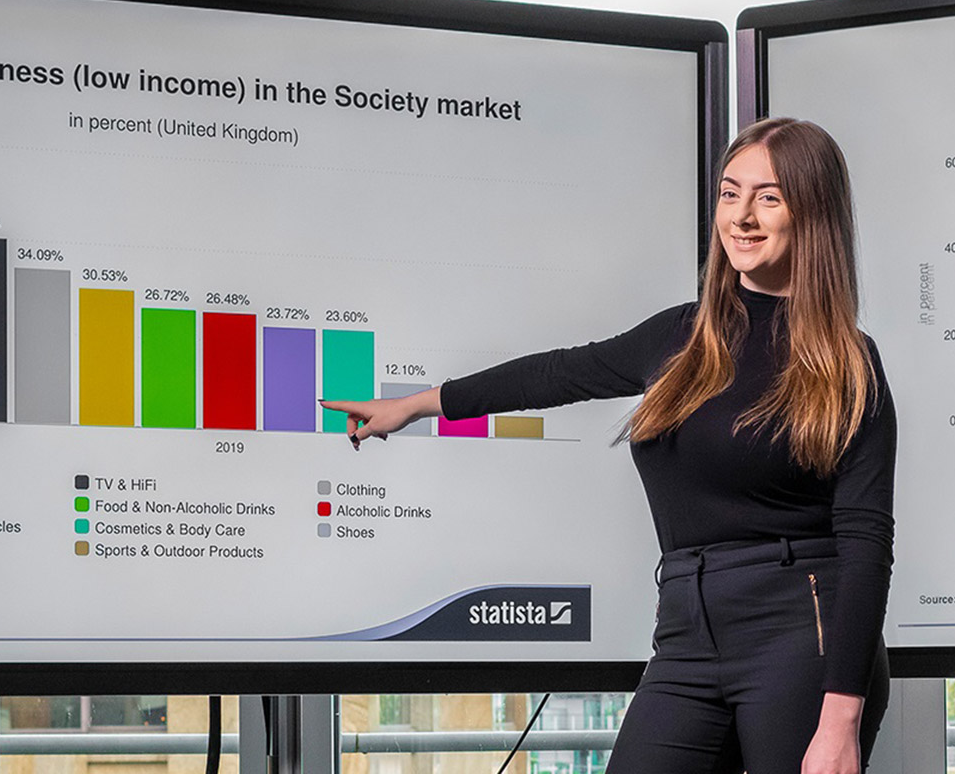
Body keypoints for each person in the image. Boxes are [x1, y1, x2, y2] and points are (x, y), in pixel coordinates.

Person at [323, 117, 896, 774]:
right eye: (730, 193)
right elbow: (557, 373)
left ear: (813, 211)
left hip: (802, 631)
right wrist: (418, 404)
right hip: (687, 624)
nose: (741, 216)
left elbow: (867, 544)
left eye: (768, 197)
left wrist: (841, 716)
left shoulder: (846, 362)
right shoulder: (683, 337)